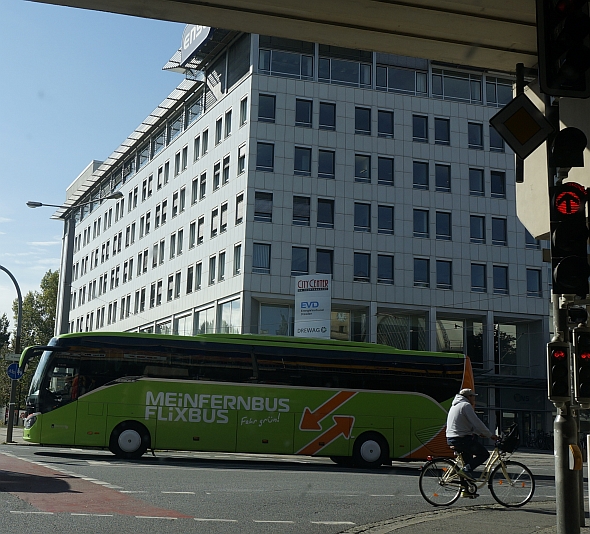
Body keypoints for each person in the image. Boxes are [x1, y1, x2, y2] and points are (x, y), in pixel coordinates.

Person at [446, 388, 498, 479]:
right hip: (461, 439)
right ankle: (465, 471)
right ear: (468, 397)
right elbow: (476, 422)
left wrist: (479, 433)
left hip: (452, 438)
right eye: (473, 397)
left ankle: (466, 490)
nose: (474, 399)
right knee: (484, 454)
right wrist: (490, 435)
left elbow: (467, 425)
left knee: (468, 464)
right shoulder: (466, 405)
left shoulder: (455, 406)